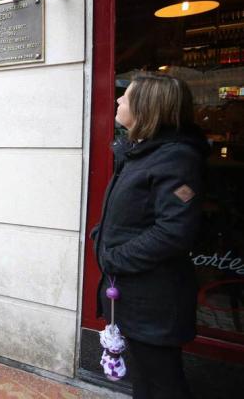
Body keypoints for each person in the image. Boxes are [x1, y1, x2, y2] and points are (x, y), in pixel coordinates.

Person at [93, 73, 209, 399]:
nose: (117, 100)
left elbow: (174, 231)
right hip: (133, 293)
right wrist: (100, 235)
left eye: (125, 98)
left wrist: (114, 256)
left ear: (147, 109)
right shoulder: (142, 151)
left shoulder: (176, 158)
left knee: (163, 383)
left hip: (154, 299)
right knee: (144, 378)